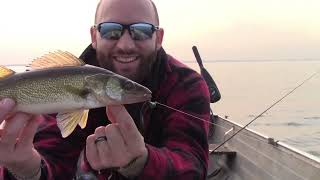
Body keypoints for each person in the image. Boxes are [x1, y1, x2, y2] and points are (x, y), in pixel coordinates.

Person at [0, 0, 211, 179]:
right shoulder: (64, 81)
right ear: (94, 36)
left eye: (142, 31)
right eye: (111, 30)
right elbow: (51, 156)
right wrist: (27, 171)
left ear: (159, 38)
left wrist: (142, 162)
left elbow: (192, 167)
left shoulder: (185, 84)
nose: (125, 44)